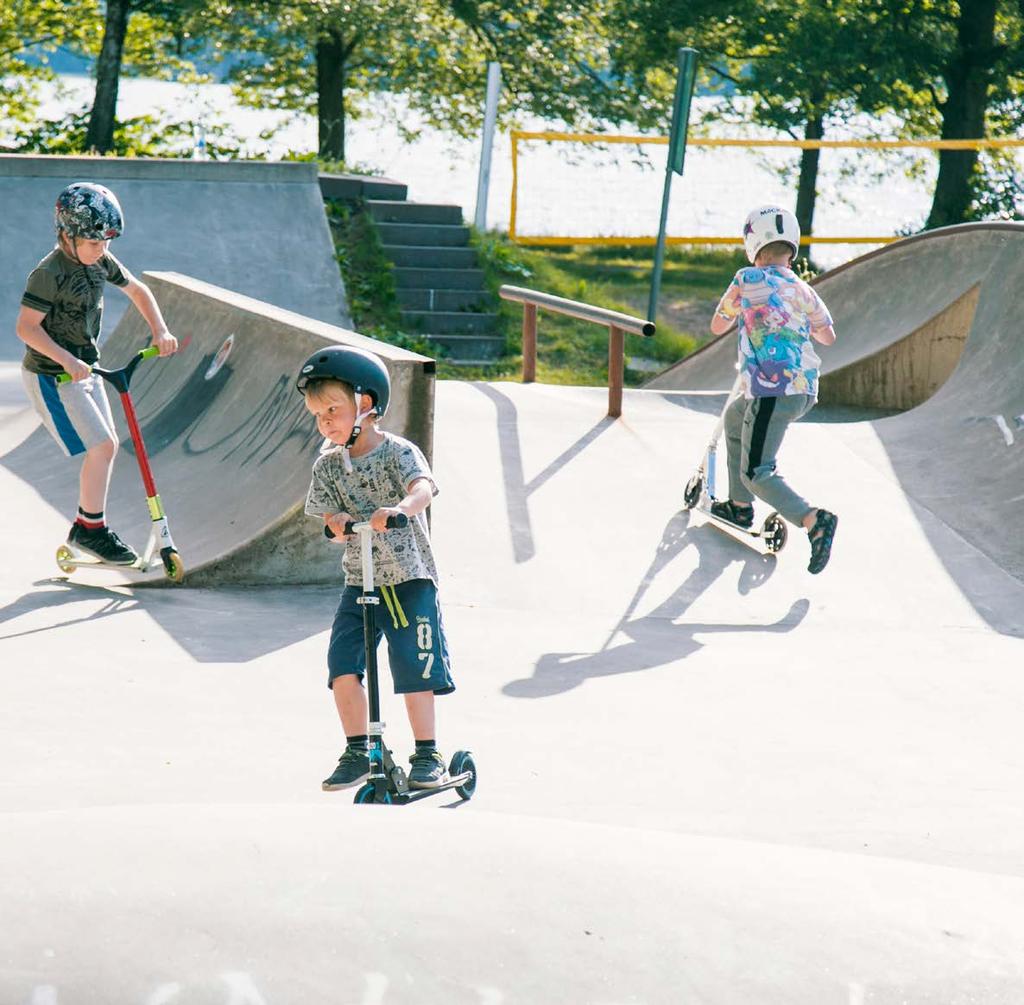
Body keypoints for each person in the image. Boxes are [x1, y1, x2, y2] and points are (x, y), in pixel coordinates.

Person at [297, 345, 456, 791]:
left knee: (414, 666)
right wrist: (338, 523)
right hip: (359, 580)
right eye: (318, 414)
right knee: (342, 666)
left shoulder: (397, 452)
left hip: (408, 578)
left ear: (365, 405)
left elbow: (423, 486)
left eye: (333, 409)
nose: (325, 421)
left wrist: (403, 508)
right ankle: (360, 749)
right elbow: (327, 516)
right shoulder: (328, 465)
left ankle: (427, 753)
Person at [15, 182, 178, 565]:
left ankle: (86, 526)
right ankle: (91, 530)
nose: (101, 250)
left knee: (108, 448)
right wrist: (66, 361)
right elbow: (26, 328)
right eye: (92, 243)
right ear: (67, 234)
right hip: (51, 373)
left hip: (85, 369)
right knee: (101, 447)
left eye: (105, 242)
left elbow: (138, 291)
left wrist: (161, 330)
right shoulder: (48, 272)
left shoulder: (102, 261)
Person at [708, 204, 838, 574]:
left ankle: (813, 519)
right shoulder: (803, 289)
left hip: (771, 390)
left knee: (758, 471)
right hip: (804, 390)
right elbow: (828, 336)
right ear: (791, 247)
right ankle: (739, 506)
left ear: (754, 246)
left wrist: (745, 314)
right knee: (736, 419)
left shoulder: (746, 279)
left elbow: (717, 326)